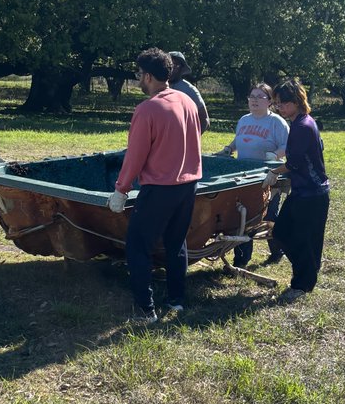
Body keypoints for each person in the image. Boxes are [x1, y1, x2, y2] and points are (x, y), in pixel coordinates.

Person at [108, 48, 202, 323]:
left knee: (138, 246)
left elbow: (135, 155)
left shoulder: (147, 109)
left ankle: (145, 309)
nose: (138, 79)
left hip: (159, 188)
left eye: (139, 74)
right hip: (189, 185)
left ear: (148, 76)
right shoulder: (186, 102)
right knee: (176, 244)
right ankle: (176, 301)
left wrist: (121, 189)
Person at [263, 78, 329, 303]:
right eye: (277, 104)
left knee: (300, 239)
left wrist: (274, 173)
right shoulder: (302, 122)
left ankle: (302, 283)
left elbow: (295, 163)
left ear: (296, 101)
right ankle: (308, 271)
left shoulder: (302, 126)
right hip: (303, 192)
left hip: (312, 194)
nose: (279, 108)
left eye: (282, 103)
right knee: (282, 232)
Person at [220, 83, 289, 267]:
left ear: (270, 102)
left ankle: (277, 250)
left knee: (268, 217)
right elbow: (239, 139)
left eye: (260, 97)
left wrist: (276, 155)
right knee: (243, 217)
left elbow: (288, 145)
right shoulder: (244, 119)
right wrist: (229, 148)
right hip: (244, 176)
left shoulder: (277, 122)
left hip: (268, 176)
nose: (254, 100)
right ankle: (241, 259)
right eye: (252, 96)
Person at [168, 51, 210, 133]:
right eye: (169, 64)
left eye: (176, 65)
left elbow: (205, 120)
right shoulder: (157, 86)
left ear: (181, 69)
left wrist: (191, 140)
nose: (172, 68)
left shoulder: (189, 90)